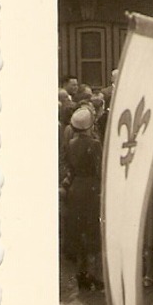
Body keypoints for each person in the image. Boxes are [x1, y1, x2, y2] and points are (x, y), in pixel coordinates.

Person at [61, 106, 104, 291]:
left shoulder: (70, 144)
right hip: (91, 188)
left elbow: (68, 167)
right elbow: (99, 168)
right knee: (93, 231)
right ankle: (94, 273)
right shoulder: (94, 144)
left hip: (76, 189)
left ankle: (81, 272)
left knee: (79, 232)